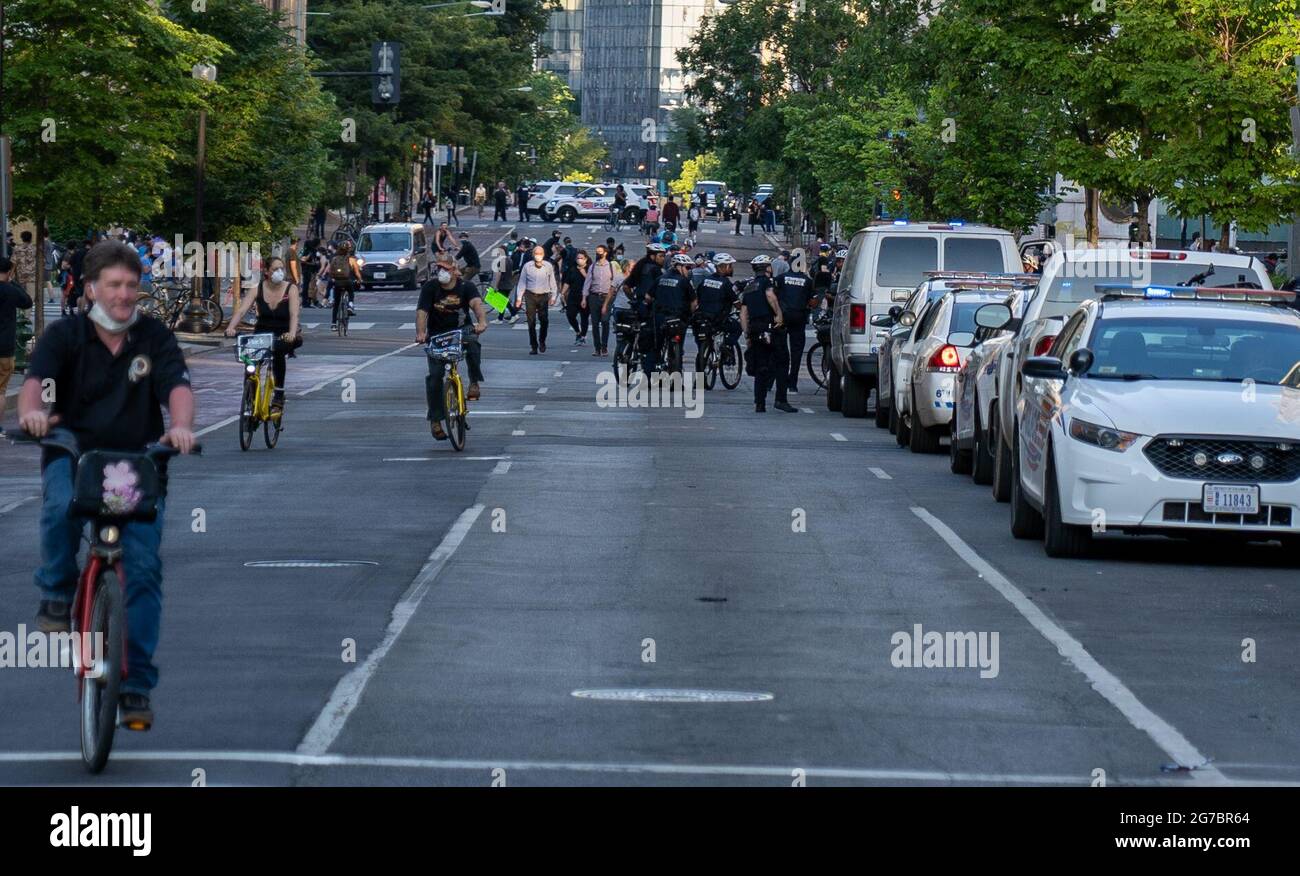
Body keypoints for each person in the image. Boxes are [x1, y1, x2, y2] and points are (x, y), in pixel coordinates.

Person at [18, 240, 197, 728]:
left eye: (132, 285)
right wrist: (33, 414)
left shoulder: (154, 337)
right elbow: (35, 382)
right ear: (92, 287)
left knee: (142, 571)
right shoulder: (65, 335)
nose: (123, 294)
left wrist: (180, 427)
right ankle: (57, 589)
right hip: (74, 450)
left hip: (134, 459)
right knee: (58, 507)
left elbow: (177, 386)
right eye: (114, 285)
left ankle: (135, 683)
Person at [416, 254, 488, 440]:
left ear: (454, 270)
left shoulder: (466, 287)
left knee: (473, 342)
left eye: (446, 268)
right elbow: (422, 312)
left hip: (460, 331)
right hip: (437, 335)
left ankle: (474, 382)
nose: (442, 272)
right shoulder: (430, 288)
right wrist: (421, 333)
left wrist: (481, 322)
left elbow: (476, 304)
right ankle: (436, 420)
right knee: (434, 377)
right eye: (439, 268)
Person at [224, 256, 302, 416]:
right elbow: (241, 311)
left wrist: (292, 333)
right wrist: (231, 328)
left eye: (282, 268)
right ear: (266, 271)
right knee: (249, 361)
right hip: (261, 335)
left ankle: (279, 394)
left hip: (284, 334)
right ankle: (250, 399)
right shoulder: (257, 289)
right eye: (275, 269)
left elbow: (294, 314)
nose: (279, 272)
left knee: (279, 351)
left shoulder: (291, 289)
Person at [740, 254, 794, 413]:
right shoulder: (767, 283)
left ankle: (759, 402)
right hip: (771, 328)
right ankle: (781, 400)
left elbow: (743, 314)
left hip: (755, 329)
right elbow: (770, 296)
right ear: (767, 268)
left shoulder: (749, 287)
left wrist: (747, 334)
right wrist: (778, 314)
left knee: (761, 367)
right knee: (782, 362)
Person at [612, 244, 666, 375]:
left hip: (638, 306)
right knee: (653, 338)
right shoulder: (655, 270)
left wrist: (634, 299)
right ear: (652, 256)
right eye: (660, 256)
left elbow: (626, 287)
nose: (663, 259)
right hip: (650, 308)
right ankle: (651, 367)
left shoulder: (640, 266)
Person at [0, 257, 35, 435]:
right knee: (1, 390)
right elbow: (27, 301)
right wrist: (14, 283)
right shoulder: (10, 290)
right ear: (8, 272)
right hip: (4, 346)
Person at [645, 253, 696, 374]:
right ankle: (676, 376)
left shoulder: (661, 278)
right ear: (678, 266)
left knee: (655, 347)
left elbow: (648, 296)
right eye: (687, 268)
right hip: (677, 319)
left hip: (659, 317)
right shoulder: (684, 282)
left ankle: (650, 375)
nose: (689, 271)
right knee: (678, 347)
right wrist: (690, 314)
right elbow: (694, 302)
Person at [692, 252, 738, 377]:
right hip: (718, 320)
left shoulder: (705, 280)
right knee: (737, 328)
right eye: (730, 265)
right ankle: (727, 346)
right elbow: (736, 302)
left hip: (700, 318)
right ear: (724, 267)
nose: (732, 268)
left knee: (702, 347)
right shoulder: (726, 283)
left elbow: (697, 297)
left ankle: (700, 378)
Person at [774, 258, 814, 393]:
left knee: (778, 350)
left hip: (782, 318)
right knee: (796, 353)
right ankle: (792, 384)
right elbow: (813, 302)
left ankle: (771, 381)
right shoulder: (808, 281)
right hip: (799, 317)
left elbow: (773, 295)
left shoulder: (780, 278)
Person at [514, 245, 559, 354]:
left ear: (543, 255)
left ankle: (542, 341)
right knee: (531, 322)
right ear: (533, 254)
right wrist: (519, 298)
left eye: (540, 254)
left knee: (544, 320)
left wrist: (553, 296)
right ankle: (534, 346)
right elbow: (522, 283)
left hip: (543, 296)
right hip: (530, 295)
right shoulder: (527, 266)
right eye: (536, 253)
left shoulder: (548, 266)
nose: (538, 256)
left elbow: (552, 281)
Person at [583, 243, 623, 357]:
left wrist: (616, 293)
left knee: (605, 321)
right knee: (595, 323)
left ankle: (604, 347)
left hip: (607, 297)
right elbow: (587, 283)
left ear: (605, 253)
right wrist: (584, 297)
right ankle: (597, 348)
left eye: (600, 251)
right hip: (594, 296)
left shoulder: (611, 266)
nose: (598, 253)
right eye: (597, 251)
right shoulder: (593, 266)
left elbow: (617, 281)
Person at [329, 240, 362, 332]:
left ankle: (333, 324)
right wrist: (360, 279)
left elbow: (330, 271)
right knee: (351, 292)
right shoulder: (351, 259)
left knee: (336, 303)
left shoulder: (334, 259)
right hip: (347, 281)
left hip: (337, 282)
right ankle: (350, 305)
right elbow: (356, 272)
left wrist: (332, 278)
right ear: (348, 250)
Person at [561, 249, 591, 346]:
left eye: (581, 258)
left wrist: (584, 273)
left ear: (586, 259)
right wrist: (562, 293)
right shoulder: (573, 269)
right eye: (578, 258)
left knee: (584, 317)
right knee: (570, 315)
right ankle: (577, 331)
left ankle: (582, 336)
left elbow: (591, 282)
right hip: (573, 296)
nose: (579, 260)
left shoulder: (589, 269)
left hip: (585, 296)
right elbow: (567, 282)